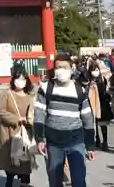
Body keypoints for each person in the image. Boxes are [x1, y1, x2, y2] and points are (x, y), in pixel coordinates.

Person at [34, 54, 94, 187]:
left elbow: (87, 118)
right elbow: (39, 115)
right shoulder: (45, 88)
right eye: (58, 67)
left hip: (75, 141)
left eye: (64, 67)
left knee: (79, 181)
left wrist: (90, 145)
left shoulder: (80, 90)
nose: (60, 70)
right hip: (53, 142)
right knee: (55, 181)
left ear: (71, 68)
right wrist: (40, 139)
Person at [0, 68, 35, 187]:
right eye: (18, 78)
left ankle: (24, 183)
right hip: (8, 133)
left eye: (23, 79)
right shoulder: (7, 95)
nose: (20, 81)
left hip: (25, 134)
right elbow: (0, 111)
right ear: (13, 80)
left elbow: (34, 114)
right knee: (11, 165)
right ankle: (9, 183)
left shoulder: (30, 97)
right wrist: (16, 119)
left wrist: (29, 120)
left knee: (24, 164)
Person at [87, 63, 112, 150]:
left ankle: (105, 141)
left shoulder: (102, 79)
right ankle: (97, 139)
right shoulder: (88, 81)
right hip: (92, 104)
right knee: (94, 123)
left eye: (97, 70)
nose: (95, 72)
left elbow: (105, 91)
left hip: (102, 104)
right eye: (93, 70)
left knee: (103, 124)